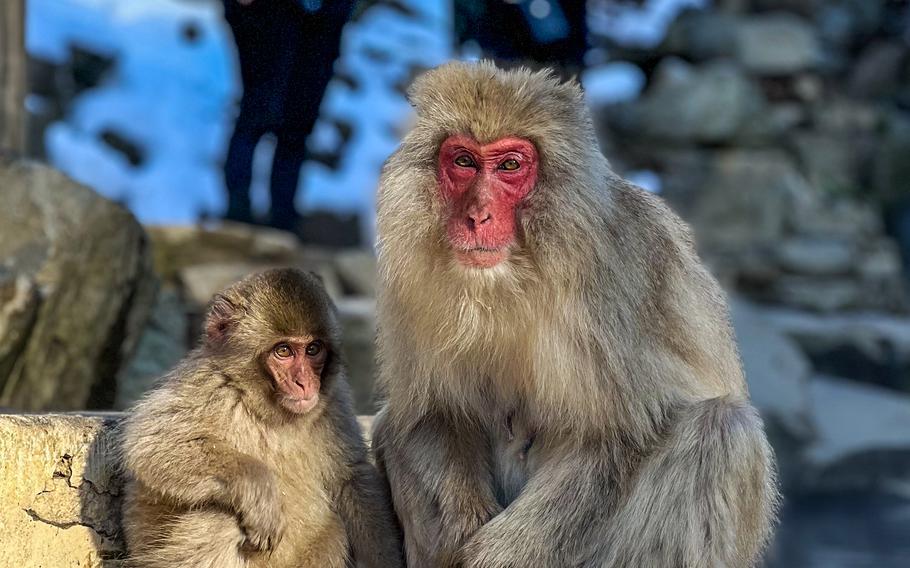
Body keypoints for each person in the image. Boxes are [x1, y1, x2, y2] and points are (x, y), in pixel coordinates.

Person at [221, 0, 354, 232]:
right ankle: (238, 211)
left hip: (321, 26)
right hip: (270, 17)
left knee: (296, 128)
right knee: (256, 115)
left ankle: (282, 217)